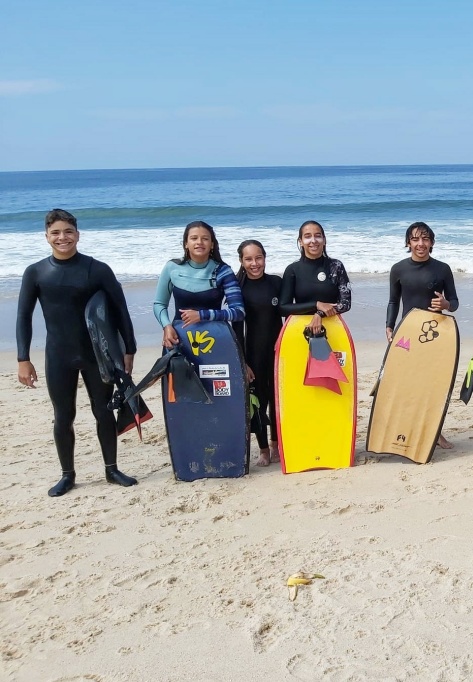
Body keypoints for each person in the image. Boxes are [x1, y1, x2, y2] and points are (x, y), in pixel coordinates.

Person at [17, 208, 139, 497]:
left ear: (78, 235)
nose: (63, 237)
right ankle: (67, 475)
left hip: (97, 354)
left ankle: (111, 469)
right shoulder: (35, 272)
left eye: (68, 232)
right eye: (56, 233)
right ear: (46, 237)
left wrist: (129, 348)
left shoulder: (97, 269)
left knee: (103, 411)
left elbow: (121, 310)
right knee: (63, 415)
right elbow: (23, 316)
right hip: (58, 355)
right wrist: (23, 358)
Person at [386, 222, 459, 449]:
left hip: (435, 334)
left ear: (432, 242)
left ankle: (435, 432)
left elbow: (454, 302)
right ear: (408, 243)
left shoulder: (442, 269)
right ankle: (408, 429)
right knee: (408, 384)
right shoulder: (398, 269)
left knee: (434, 385)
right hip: (407, 333)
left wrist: (446, 303)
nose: (421, 244)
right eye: (415, 239)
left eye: (425, 239)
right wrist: (389, 326)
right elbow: (393, 301)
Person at [153, 220, 245, 350]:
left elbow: (238, 312)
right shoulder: (172, 268)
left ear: (212, 244)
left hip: (214, 340)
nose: (199, 242)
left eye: (205, 239)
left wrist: (202, 315)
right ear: (186, 243)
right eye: (194, 238)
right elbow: (159, 304)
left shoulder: (223, 271)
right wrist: (166, 326)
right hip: (178, 337)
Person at [232, 240, 284, 467]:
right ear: (241, 261)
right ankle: (263, 449)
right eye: (249, 259)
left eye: (258, 258)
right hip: (253, 355)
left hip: (279, 352)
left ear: (265, 257)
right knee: (257, 404)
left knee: (277, 401)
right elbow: (236, 330)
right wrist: (243, 362)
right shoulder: (237, 289)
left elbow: (291, 312)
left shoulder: (276, 283)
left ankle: (276, 445)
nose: (255, 263)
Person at [278, 220, 352, 332]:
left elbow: (346, 303)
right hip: (300, 328)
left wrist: (320, 314)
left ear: (324, 240)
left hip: (331, 327)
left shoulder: (336, 266)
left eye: (318, 236)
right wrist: (316, 304)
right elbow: (283, 308)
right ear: (301, 242)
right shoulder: (292, 270)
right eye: (307, 236)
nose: (313, 240)